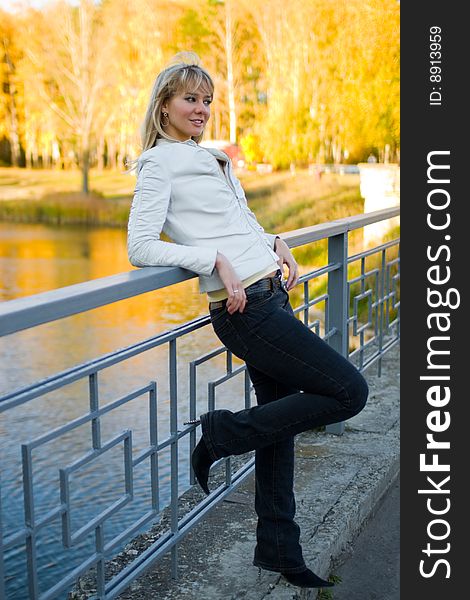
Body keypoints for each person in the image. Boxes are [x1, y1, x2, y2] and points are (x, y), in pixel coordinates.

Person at [127, 52, 368, 590]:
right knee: (350, 391)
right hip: (244, 312)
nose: (201, 108)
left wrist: (273, 241)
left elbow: (237, 221)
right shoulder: (157, 164)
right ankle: (222, 432)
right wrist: (210, 260)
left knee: (280, 427)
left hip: (269, 294)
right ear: (164, 104)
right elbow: (140, 247)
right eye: (190, 98)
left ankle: (281, 550)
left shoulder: (211, 158)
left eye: (207, 100)